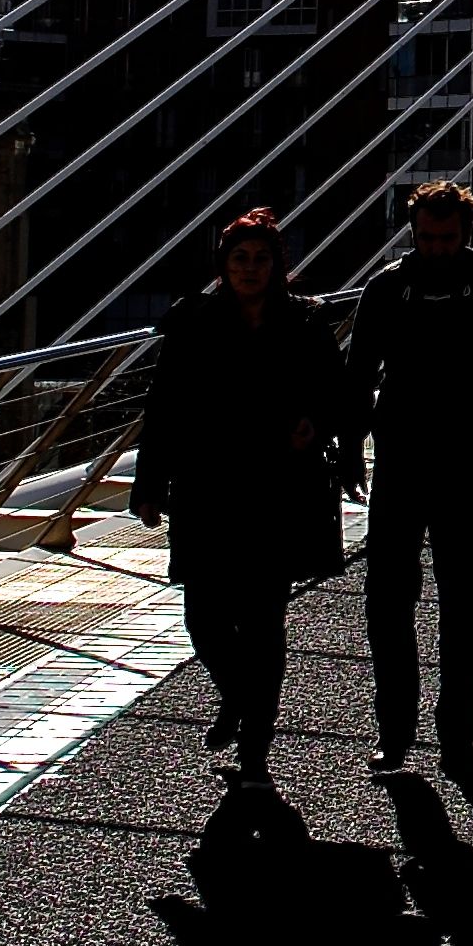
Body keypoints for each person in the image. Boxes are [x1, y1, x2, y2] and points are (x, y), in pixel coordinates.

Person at [130, 205, 355, 788]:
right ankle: (239, 696)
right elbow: (165, 407)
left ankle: (255, 746)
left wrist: (317, 424)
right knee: (203, 619)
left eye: (260, 259)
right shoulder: (195, 322)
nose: (250, 268)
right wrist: (150, 483)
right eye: (239, 259)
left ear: (278, 265)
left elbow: (340, 393)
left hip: (279, 488)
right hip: (208, 487)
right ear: (223, 266)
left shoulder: (305, 322)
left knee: (262, 621)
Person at [349, 177, 473, 779]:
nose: (437, 247)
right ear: (414, 233)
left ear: (467, 234)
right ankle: (396, 733)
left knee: (462, 605)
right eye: (427, 237)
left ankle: (455, 735)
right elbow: (359, 374)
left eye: (447, 237)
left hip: (466, 464)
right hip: (401, 461)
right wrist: (347, 451)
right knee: (387, 602)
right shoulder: (386, 290)